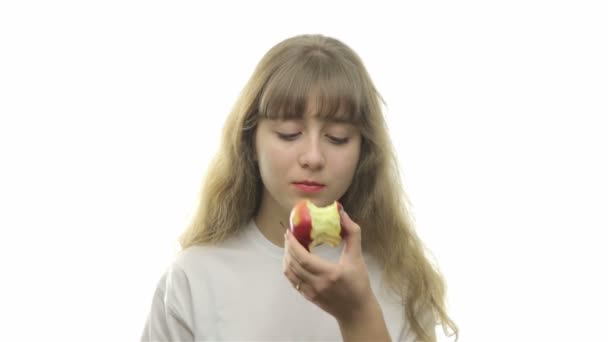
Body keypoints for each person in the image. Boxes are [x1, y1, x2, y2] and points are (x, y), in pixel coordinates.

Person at [141, 34, 458, 342]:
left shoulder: (401, 281)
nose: (313, 157)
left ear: (364, 151)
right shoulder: (191, 280)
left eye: (337, 138)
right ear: (250, 141)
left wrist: (359, 314)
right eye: (289, 133)